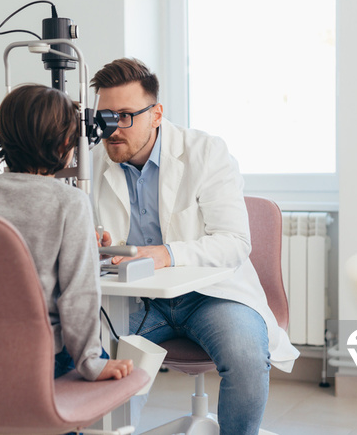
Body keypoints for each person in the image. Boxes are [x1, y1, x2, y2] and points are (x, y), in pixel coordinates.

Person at [90, 58, 300, 434]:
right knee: (93, 356)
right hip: (137, 300)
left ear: (156, 114)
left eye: (124, 116)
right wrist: (98, 241)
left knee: (247, 356)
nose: (112, 129)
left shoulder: (205, 153)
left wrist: (167, 254)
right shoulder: (94, 161)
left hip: (210, 296)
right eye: (104, 117)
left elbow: (234, 242)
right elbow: (93, 236)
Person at [0, 84, 133, 382]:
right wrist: (90, 360)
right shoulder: (70, 201)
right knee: (112, 365)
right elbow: (79, 294)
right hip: (42, 355)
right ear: (68, 142)